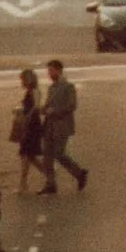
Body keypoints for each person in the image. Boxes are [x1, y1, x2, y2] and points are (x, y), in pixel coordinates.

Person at [38, 58, 88, 194]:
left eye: (51, 70)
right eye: (48, 71)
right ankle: (50, 183)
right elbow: (48, 104)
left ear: (59, 71)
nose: (49, 73)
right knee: (47, 154)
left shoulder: (68, 87)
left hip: (62, 125)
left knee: (59, 153)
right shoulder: (51, 88)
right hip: (49, 125)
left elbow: (72, 105)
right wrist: (43, 109)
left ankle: (79, 173)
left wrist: (55, 111)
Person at [11, 71, 45, 195]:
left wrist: (25, 119)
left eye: (23, 80)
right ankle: (49, 175)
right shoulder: (31, 91)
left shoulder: (34, 91)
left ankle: (23, 184)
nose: (21, 82)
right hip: (32, 125)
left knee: (25, 154)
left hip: (32, 126)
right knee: (29, 156)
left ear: (28, 80)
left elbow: (35, 108)